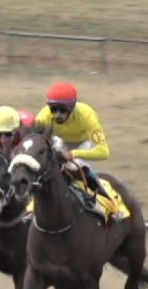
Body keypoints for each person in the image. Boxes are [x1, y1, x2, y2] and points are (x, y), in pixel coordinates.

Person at [34, 81, 116, 211]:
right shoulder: (43, 116)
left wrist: (73, 154)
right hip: (61, 141)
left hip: (84, 142)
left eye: (62, 109)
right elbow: (35, 142)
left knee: (73, 167)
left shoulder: (87, 116)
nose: (57, 115)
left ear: (72, 107)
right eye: (53, 109)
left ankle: (102, 202)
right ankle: (32, 208)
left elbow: (103, 151)